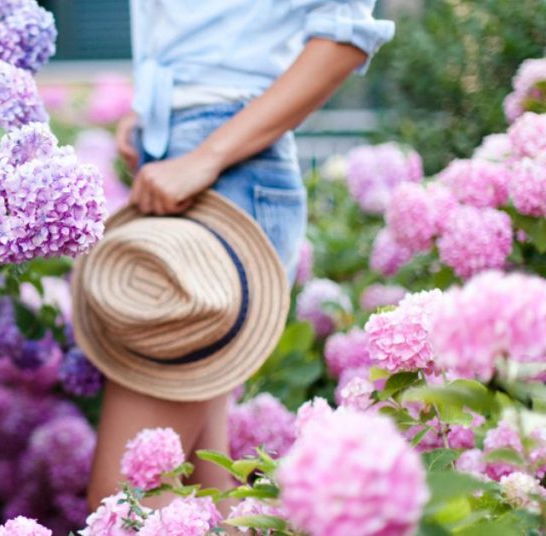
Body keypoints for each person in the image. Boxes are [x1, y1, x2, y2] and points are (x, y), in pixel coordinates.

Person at [83, 0, 395, 508]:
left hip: (227, 167)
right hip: (191, 158)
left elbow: (344, 37)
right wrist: (156, 109)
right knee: (206, 493)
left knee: (120, 506)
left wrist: (205, 154)